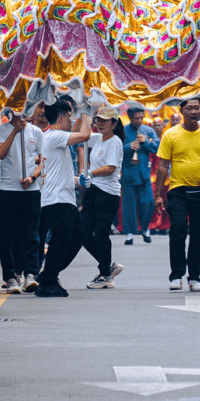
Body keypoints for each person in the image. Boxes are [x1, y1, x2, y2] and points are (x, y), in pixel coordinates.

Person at [155, 97, 200, 291]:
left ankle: (194, 277)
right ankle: (176, 275)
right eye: (190, 108)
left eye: (197, 108)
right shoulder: (170, 134)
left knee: (199, 234)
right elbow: (163, 166)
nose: (194, 112)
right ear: (181, 111)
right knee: (178, 231)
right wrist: (158, 194)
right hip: (178, 191)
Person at [36, 98, 92, 296]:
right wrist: (86, 112)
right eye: (69, 116)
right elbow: (85, 134)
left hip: (63, 198)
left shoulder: (54, 137)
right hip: (58, 200)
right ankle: (47, 281)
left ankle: (47, 275)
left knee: (76, 239)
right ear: (60, 118)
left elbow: (58, 172)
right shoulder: (54, 136)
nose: (71, 120)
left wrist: (78, 180)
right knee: (61, 242)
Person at [0, 106, 44, 292]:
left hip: (30, 191)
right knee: (7, 235)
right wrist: (15, 131)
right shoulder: (1, 130)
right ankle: (11, 276)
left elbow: (43, 160)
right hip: (8, 190)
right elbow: (1, 154)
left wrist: (33, 177)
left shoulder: (36, 132)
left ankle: (31, 273)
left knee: (31, 234)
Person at [81, 106, 126, 289]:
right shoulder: (97, 138)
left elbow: (110, 168)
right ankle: (108, 266)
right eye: (98, 120)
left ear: (114, 123)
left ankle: (105, 274)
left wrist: (88, 172)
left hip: (108, 193)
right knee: (83, 234)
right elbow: (80, 135)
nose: (99, 124)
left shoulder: (115, 142)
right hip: (93, 190)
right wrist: (83, 114)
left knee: (101, 233)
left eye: (104, 121)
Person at [121, 104, 159, 244]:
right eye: (136, 118)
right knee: (129, 204)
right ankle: (129, 233)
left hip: (144, 173)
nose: (139, 120)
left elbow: (157, 147)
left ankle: (145, 228)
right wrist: (128, 147)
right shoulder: (123, 130)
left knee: (148, 202)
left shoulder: (148, 130)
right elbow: (116, 148)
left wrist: (146, 142)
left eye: (141, 117)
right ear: (130, 117)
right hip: (128, 172)